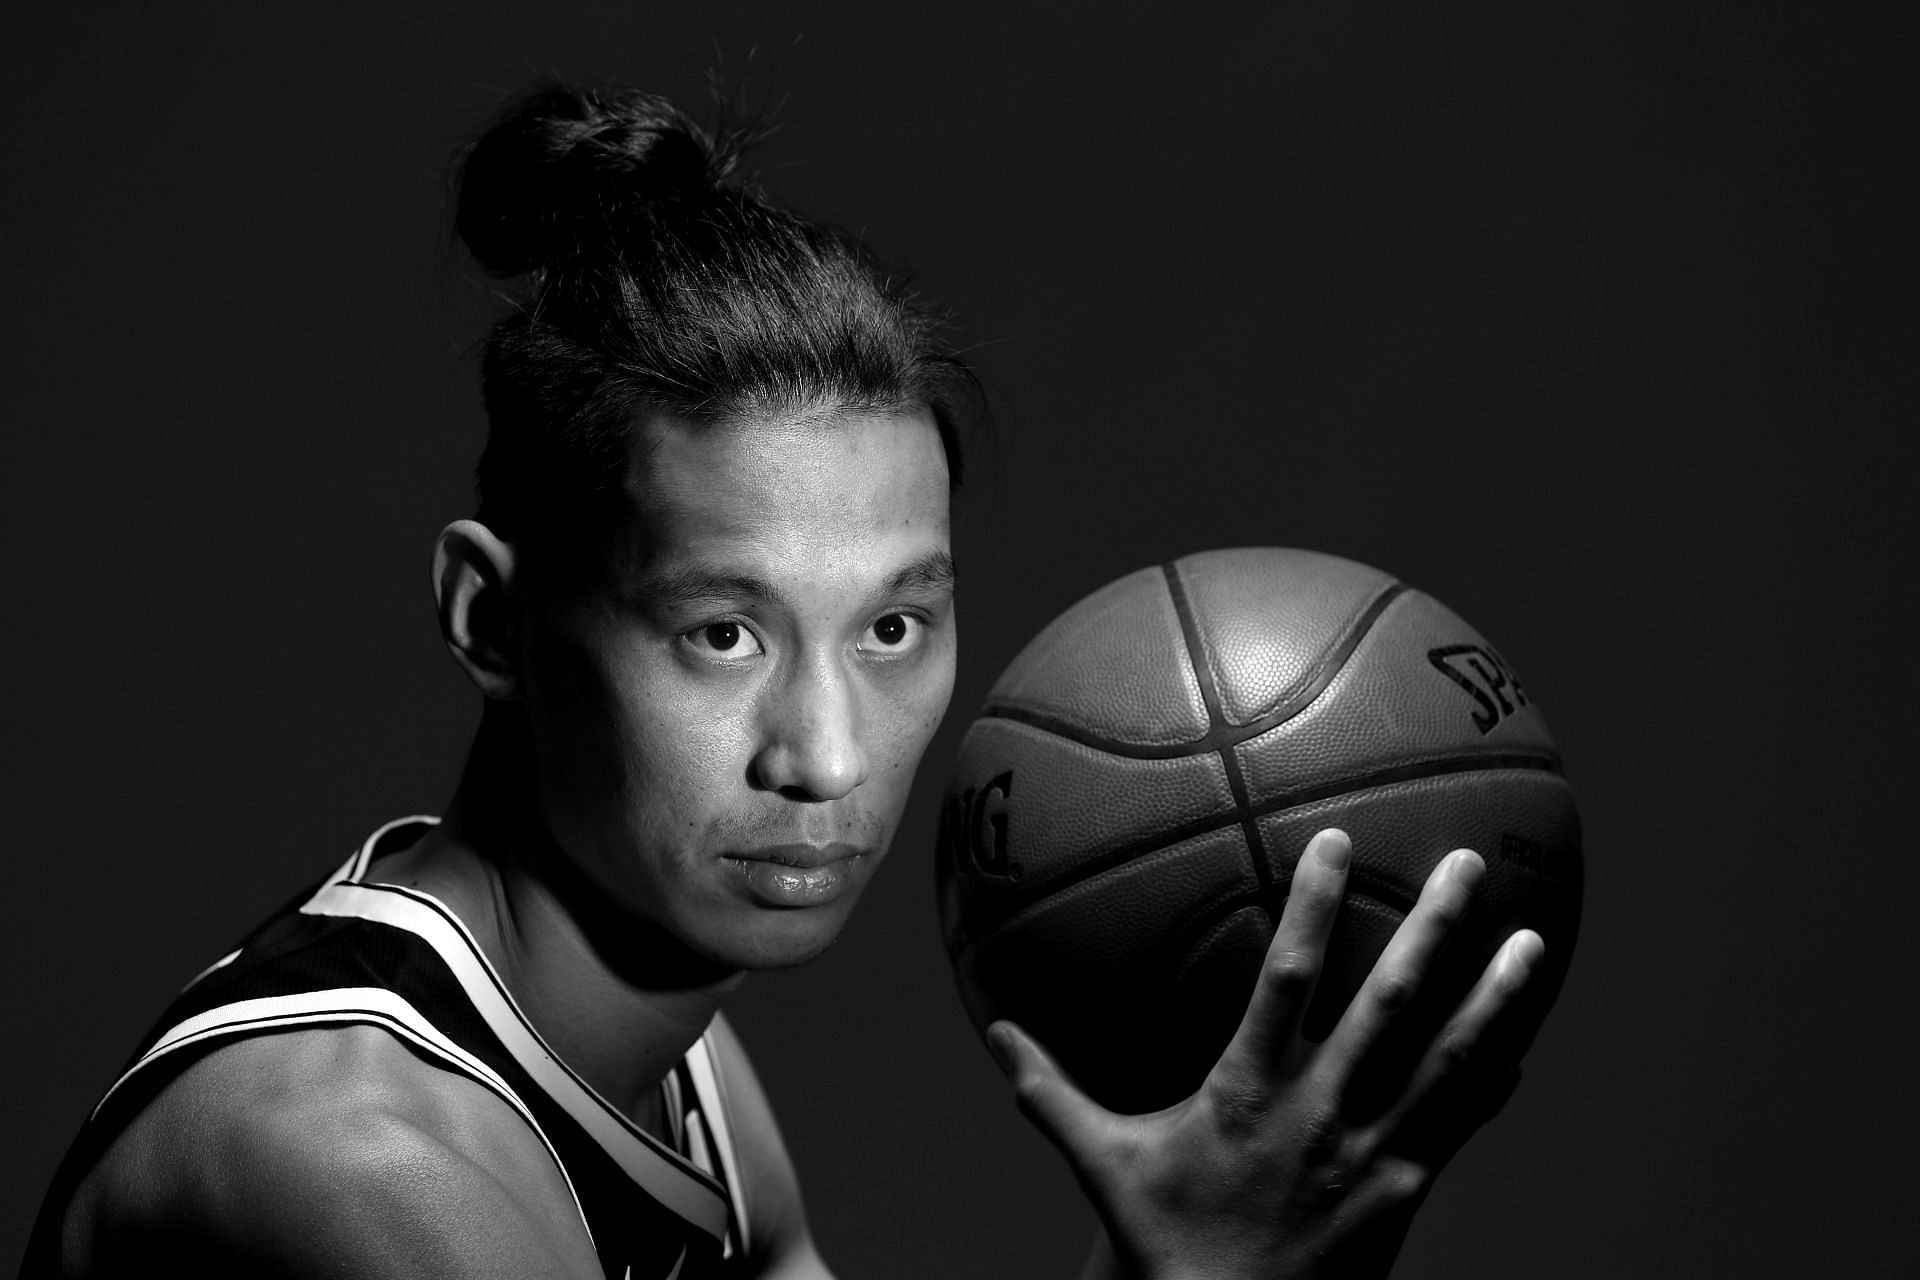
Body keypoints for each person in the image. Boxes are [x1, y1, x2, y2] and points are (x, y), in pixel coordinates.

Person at [23, 82, 1548, 1280]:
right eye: (722, 634)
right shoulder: (372, 1168)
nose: (823, 761)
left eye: (891, 631)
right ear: (493, 620)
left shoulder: (667, 1069)